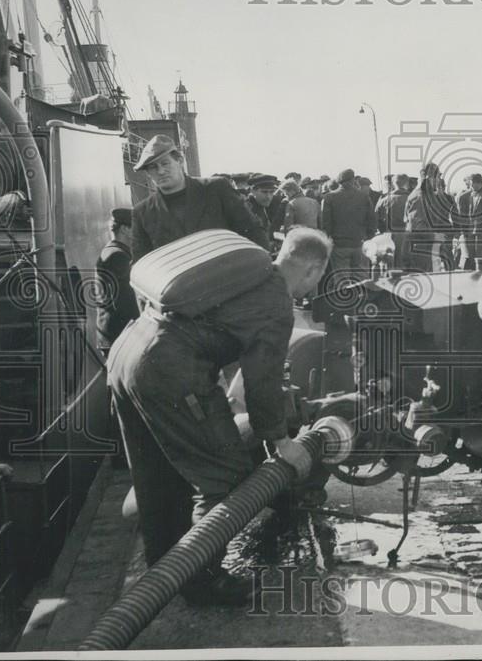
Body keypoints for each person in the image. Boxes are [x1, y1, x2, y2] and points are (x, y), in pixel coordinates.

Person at [107, 228, 331, 606]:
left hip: (127, 353)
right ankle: (202, 580)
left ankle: (164, 574)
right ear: (311, 271)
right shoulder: (276, 300)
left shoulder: (244, 272)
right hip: (168, 369)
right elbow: (263, 381)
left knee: (157, 475)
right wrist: (282, 442)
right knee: (224, 474)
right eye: (319, 278)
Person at [130, 136, 269, 261]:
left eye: (165, 163)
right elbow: (142, 263)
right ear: (148, 174)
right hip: (181, 288)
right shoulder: (142, 213)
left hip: (229, 280)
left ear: (180, 161)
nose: (160, 171)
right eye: (153, 167)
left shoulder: (216, 188)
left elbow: (253, 231)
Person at [94, 207, 140, 356]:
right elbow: (127, 299)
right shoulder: (118, 257)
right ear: (126, 229)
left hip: (113, 334)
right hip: (120, 335)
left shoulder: (112, 251)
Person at [321, 168, 376, 287]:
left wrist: (329, 239)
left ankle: (343, 304)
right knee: (362, 279)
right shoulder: (364, 197)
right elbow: (372, 220)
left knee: (342, 280)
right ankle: (362, 303)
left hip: (339, 245)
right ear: (353, 180)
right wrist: (368, 237)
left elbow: (326, 224)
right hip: (360, 243)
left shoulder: (329, 198)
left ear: (339, 182)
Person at [403, 163, 451, 272]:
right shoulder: (420, 196)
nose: (439, 180)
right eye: (438, 177)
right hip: (420, 250)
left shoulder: (427, 195)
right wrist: (436, 236)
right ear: (430, 177)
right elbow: (417, 226)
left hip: (426, 247)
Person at [374, 173, 410, 266]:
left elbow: (376, 219)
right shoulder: (412, 199)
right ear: (406, 184)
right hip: (407, 235)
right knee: (406, 264)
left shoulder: (384, 200)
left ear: (394, 184)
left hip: (388, 235)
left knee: (390, 264)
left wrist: (383, 231)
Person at [245, 173, 283, 249]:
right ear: (253, 191)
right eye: (264, 192)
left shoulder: (261, 206)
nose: (268, 197)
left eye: (271, 192)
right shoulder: (247, 210)